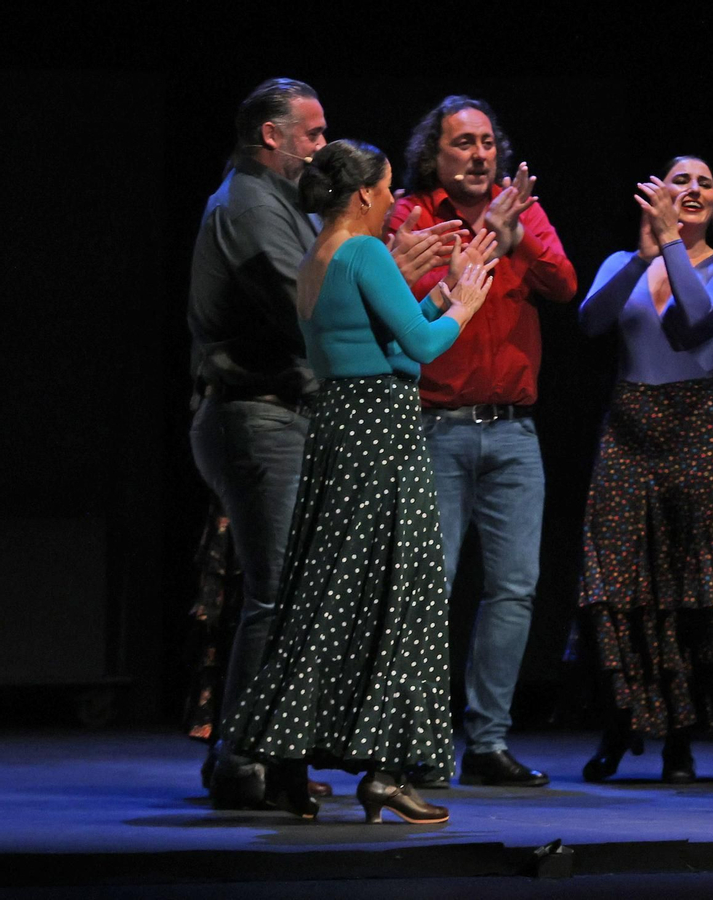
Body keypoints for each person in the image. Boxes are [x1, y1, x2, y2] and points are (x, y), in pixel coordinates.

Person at [188, 78, 458, 807]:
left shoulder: (294, 218)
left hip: (309, 412)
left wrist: (397, 281)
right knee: (292, 595)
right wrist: (436, 290)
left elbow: (350, 319)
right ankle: (249, 759)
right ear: (271, 136)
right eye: (311, 134)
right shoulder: (250, 204)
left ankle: (273, 757)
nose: (319, 149)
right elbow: (319, 306)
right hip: (265, 413)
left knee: (307, 592)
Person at [225, 139, 495, 825]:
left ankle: (284, 762)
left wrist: (438, 292)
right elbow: (427, 350)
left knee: (328, 597)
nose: (390, 201)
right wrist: (465, 300)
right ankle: (386, 770)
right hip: (380, 435)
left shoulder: (322, 256)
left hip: (343, 427)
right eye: (385, 190)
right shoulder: (364, 251)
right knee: (399, 598)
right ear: (367, 194)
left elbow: (390, 341)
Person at [385, 96, 579, 789]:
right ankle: (422, 742)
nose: (478, 155)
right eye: (462, 143)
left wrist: (514, 232)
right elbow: (401, 308)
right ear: (434, 155)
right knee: (427, 592)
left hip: (513, 434)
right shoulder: (409, 215)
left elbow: (564, 284)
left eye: (487, 143)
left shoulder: (521, 211)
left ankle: (488, 742)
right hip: (435, 429)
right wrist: (471, 244)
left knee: (515, 589)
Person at [577, 156, 713, 784]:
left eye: (705, 184)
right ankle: (622, 722)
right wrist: (642, 256)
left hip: (699, 428)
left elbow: (693, 324)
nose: (691, 190)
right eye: (678, 180)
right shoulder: (621, 261)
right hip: (628, 428)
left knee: (691, 588)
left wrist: (670, 250)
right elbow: (589, 322)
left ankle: (680, 740)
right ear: (656, 194)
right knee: (620, 583)